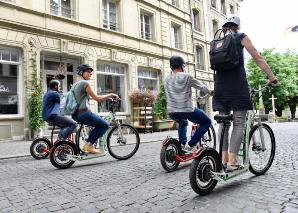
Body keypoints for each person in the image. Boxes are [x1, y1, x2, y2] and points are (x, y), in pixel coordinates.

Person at [212, 15, 278, 171]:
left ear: (225, 26)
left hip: (220, 87)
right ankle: (233, 161)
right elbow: (258, 58)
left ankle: (223, 159)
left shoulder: (217, 42)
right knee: (239, 122)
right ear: (237, 26)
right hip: (237, 87)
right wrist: (272, 77)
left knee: (223, 124)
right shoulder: (241, 37)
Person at [165, 56, 212, 153]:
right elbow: (201, 86)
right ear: (181, 66)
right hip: (186, 110)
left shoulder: (167, 79)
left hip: (172, 111)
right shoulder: (187, 76)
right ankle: (191, 144)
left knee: (183, 122)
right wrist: (210, 91)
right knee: (206, 122)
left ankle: (182, 145)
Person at [71, 64, 119, 154]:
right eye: (88, 71)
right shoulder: (85, 83)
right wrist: (111, 94)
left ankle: (88, 144)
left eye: (91, 72)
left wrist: (105, 96)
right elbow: (98, 99)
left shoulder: (75, 85)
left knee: (98, 124)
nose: (91, 73)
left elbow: (90, 97)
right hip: (84, 113)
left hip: (75, 115)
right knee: (104, 125)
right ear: (81, 73)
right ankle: (89, 145)